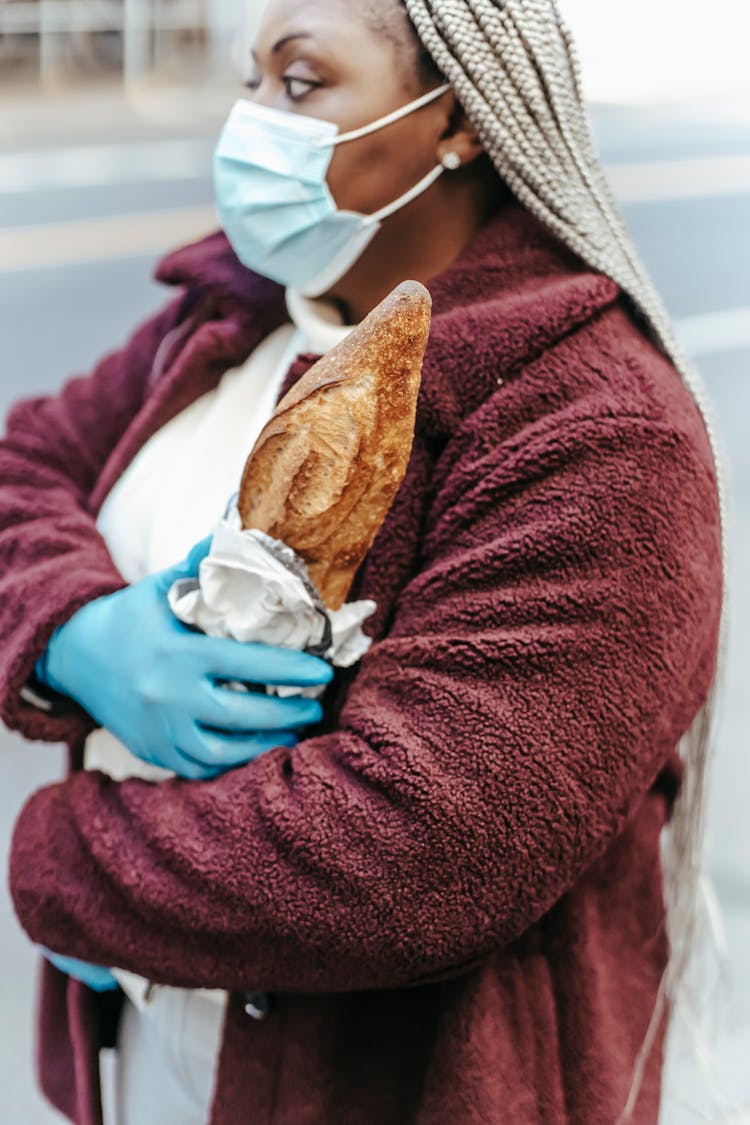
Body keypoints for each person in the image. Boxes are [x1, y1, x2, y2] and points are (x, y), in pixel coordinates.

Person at [1, 0, 727, 1123]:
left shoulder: (599, 424)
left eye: (300, 85)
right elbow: (23, 464)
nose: (249, 123)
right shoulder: (238, 318)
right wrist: (77, 633)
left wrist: (68, 862)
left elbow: (424, 851)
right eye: (251, 81)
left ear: (459, 122)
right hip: (152, 1066)